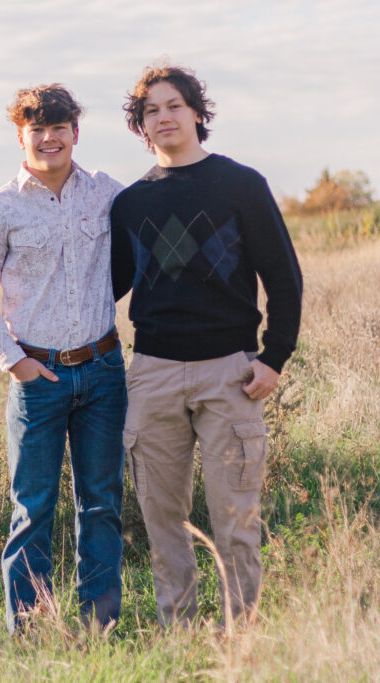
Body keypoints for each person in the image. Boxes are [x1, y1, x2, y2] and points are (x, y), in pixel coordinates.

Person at [110, 62, 303, 627]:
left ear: (197, 113)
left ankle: (240, 635)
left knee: (234, 518)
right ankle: (180, 636)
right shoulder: (130, 203)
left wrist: (274, 358)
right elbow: (110, 287)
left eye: (174, 105)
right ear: (141, 128)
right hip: (153, 374)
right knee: (161, 518)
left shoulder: (241, 185)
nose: (164, 117)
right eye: (152, 111)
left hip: (232, 373)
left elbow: (284, 278)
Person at [0, 84, 127, 633]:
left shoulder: (107, 194)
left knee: (101, 502)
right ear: (21, 137)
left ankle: (99, 627)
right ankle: (31, 633)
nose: (50, 137)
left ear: (75, 134)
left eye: (60, 127)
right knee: (33, 509)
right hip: (38, 375)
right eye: (38, 128)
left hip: (104, 370)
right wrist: (15, 362)